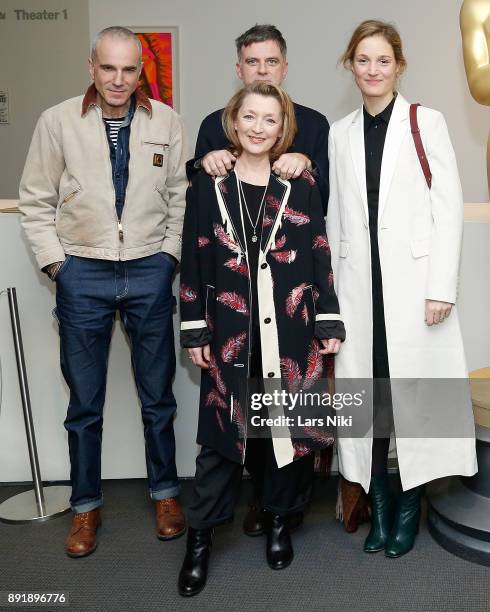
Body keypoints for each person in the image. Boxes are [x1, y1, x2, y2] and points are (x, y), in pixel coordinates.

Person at [18, 26, 188, 557]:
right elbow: (35, 201)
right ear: (91, 67)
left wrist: (168, 259)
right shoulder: (58, 121)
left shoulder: (167, 122)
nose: (118, 80)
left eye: (129, 69)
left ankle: (165, 494)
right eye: (108, 68)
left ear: (142, 72)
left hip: (148, 272)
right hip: (83, 274)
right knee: (84, 404)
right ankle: (86, 508)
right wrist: (57, 267)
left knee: (158, 398)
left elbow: (181, 196)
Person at [178, 81, 344, 596]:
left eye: (270, 120)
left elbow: (319, 252)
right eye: (249, 117)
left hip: (290, 332)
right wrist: (194, 326)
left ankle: (278, 524)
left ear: (282, 128)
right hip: (229, 334)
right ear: (234, 121)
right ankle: (200, 540)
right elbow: (194, 256)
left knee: (284, 434)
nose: (258, 128)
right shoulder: (208, 184)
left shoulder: (301, 184)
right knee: (220, 442)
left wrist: (328, 320)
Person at [327, 20, 478, 557]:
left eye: (382, 60)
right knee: (373, 406)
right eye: (362, 60)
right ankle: (380, 509)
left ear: (399, 66)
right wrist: (331, 302)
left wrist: (442, 287)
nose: (372, 70)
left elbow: (448, 208)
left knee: (411, 401)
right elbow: (335, 220)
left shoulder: (424, 122)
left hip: (414, 293)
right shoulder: (340, 132)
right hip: (358, 291)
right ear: (351, 65)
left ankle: (409, 510)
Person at [190, 24, 330, 213]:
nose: (262, 70)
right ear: (239, 70)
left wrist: (308, 164)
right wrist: (205, 162)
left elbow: (328, 199)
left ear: (285, 68)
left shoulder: (315, 124)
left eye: (272, 61)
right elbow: (195, 198)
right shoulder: (214, 123)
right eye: (252, 62)